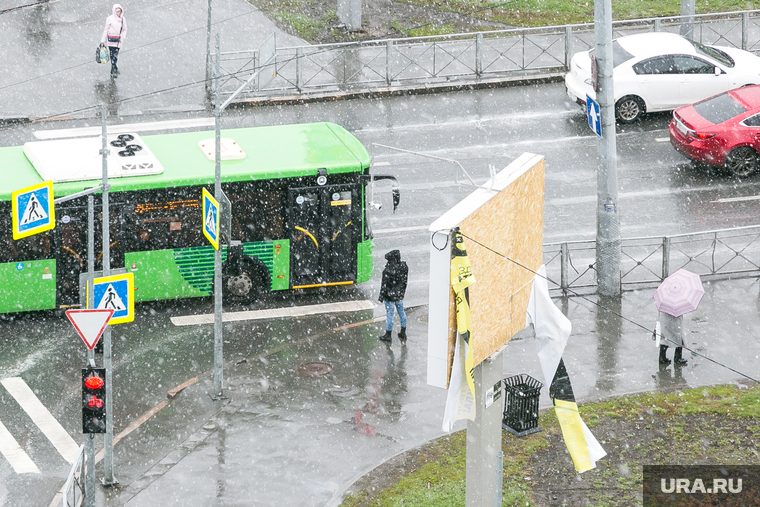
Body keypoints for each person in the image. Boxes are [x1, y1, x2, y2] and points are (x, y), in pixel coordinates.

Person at [378, 249, 408, 344]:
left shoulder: (387, 270)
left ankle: (388, 335)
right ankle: (403, 332)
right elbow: (404, 281)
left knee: (390, 314)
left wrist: (381, 297)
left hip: (389, 297)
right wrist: (401, 292)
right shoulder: (404, 267)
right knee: (401, 312)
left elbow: (384, 285)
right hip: (399, 295)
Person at [101, 4, 127, 78]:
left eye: (119, 11)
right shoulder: (110, 19)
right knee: (113, 54)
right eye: (116, 11)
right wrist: (103, 40)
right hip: (111, 40)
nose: (118, 13)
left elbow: (125, 29)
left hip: (118, 41)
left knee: (116, 54)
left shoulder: (123, 19)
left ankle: (114, 67)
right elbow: (106, 30)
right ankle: (113, 68)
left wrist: (122, 37)